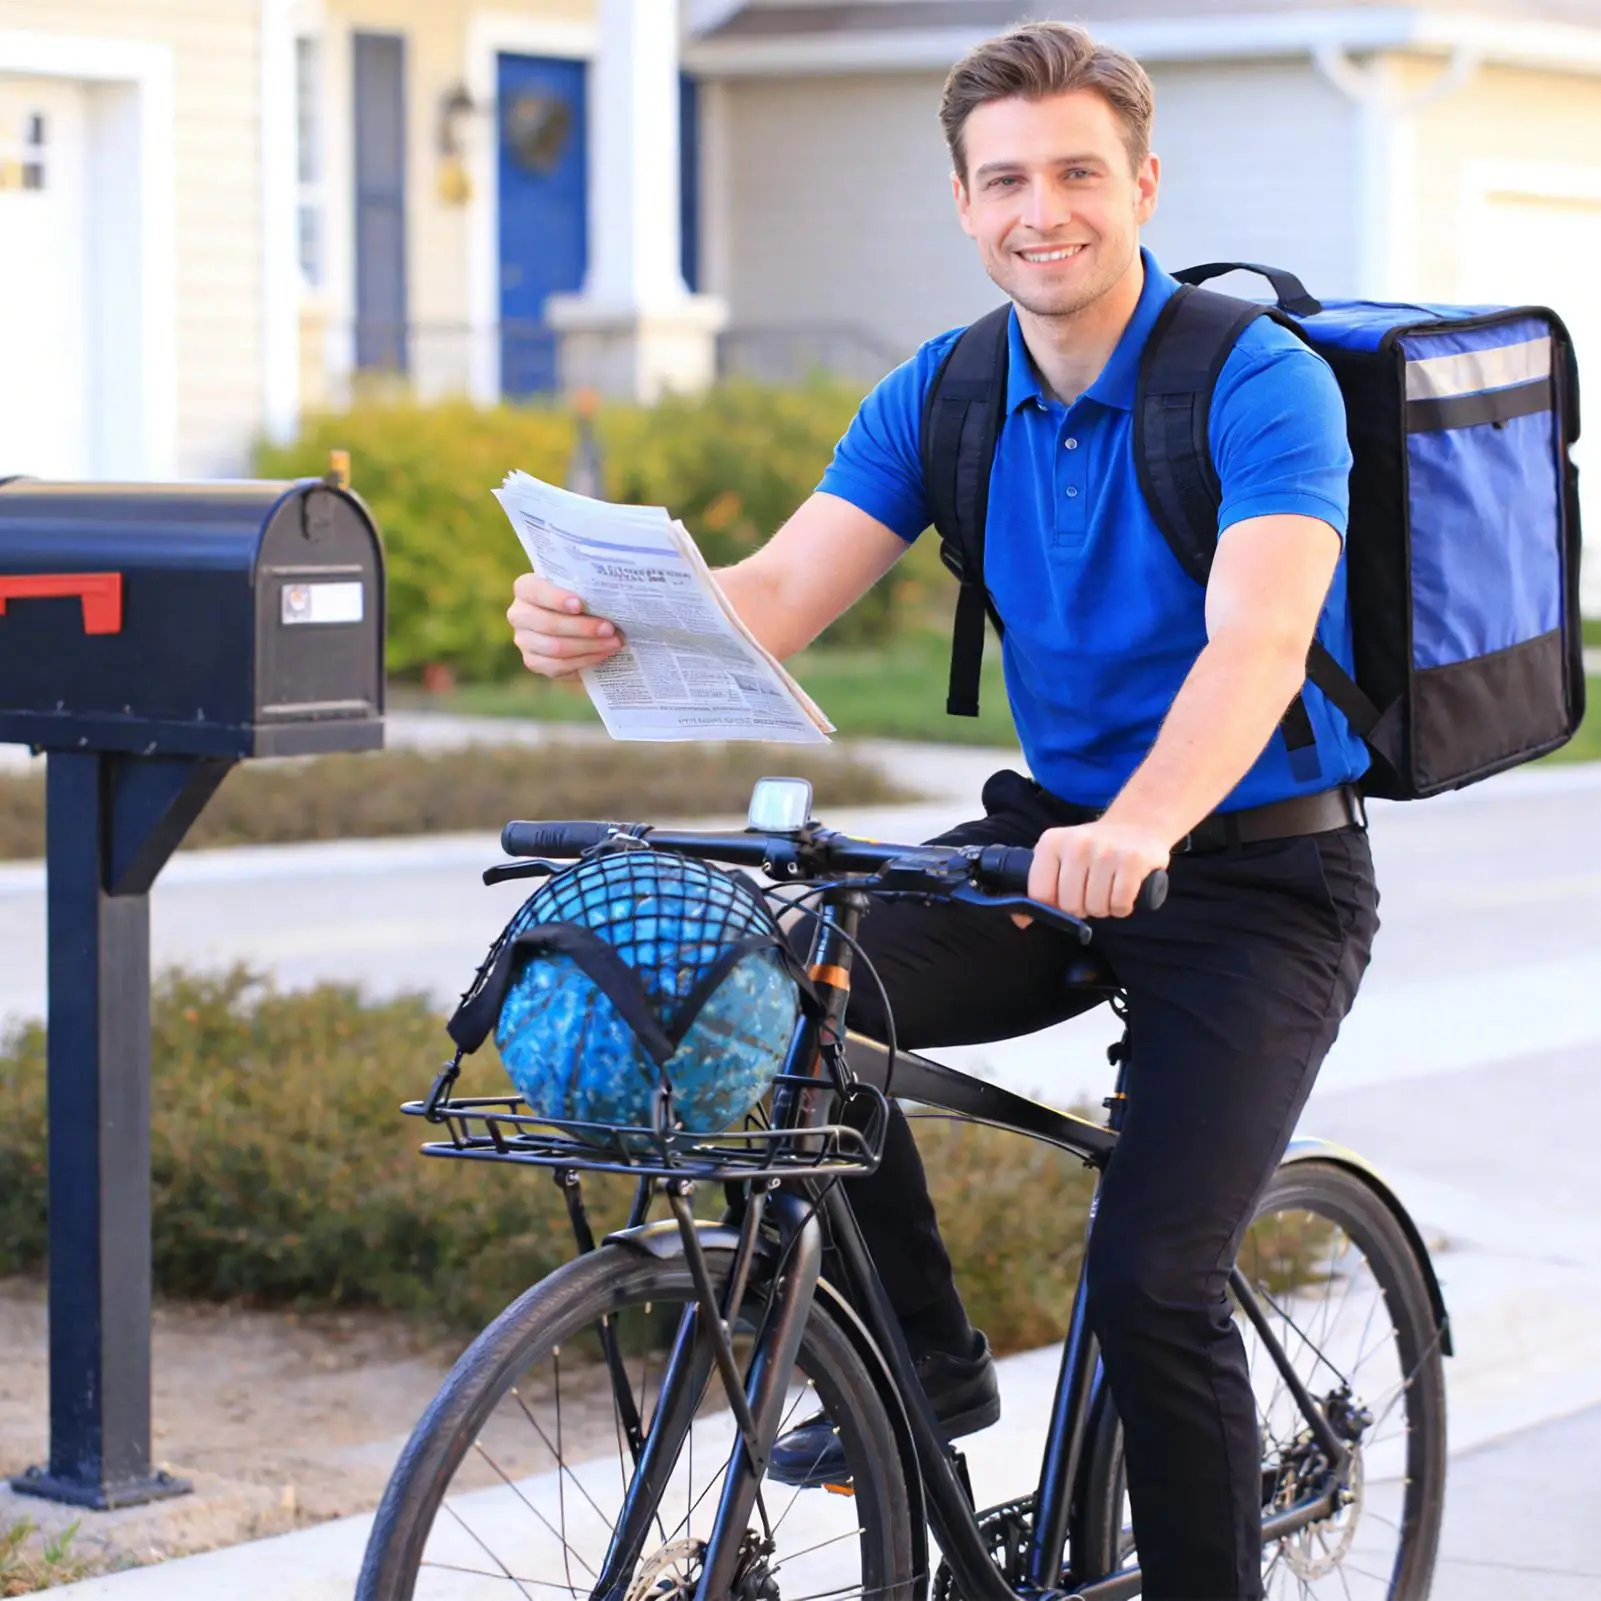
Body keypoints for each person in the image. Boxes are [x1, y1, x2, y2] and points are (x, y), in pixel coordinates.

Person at [506, 21, 1378, 1601]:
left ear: (1143, 182)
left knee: (1154, 1283)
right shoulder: (950, 390)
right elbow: (770, 595)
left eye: (1075, 173)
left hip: (1259, 872)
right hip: (1053, 839)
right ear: (964, 204)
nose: (1040, 209)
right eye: (1004, 181)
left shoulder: (1262, 385)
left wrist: (1146, 826)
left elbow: (1257, 644)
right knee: (788, 1008)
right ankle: (922, 1376)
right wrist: (601, 623)